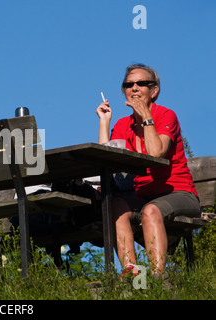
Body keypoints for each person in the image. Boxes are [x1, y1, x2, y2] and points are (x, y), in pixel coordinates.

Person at [95, 64, 200, 275]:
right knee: (115, 206)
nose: (134, 88)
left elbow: (156, 153)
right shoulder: (124, 124)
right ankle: (131, 272)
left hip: (179, 192)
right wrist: (105, 123)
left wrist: (146, 118)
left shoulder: (166, 115)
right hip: (144, 195)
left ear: (154, 91)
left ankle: (156, 277)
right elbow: (109, 160)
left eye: (141, 83)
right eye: (128, 84)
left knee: (151, 210)